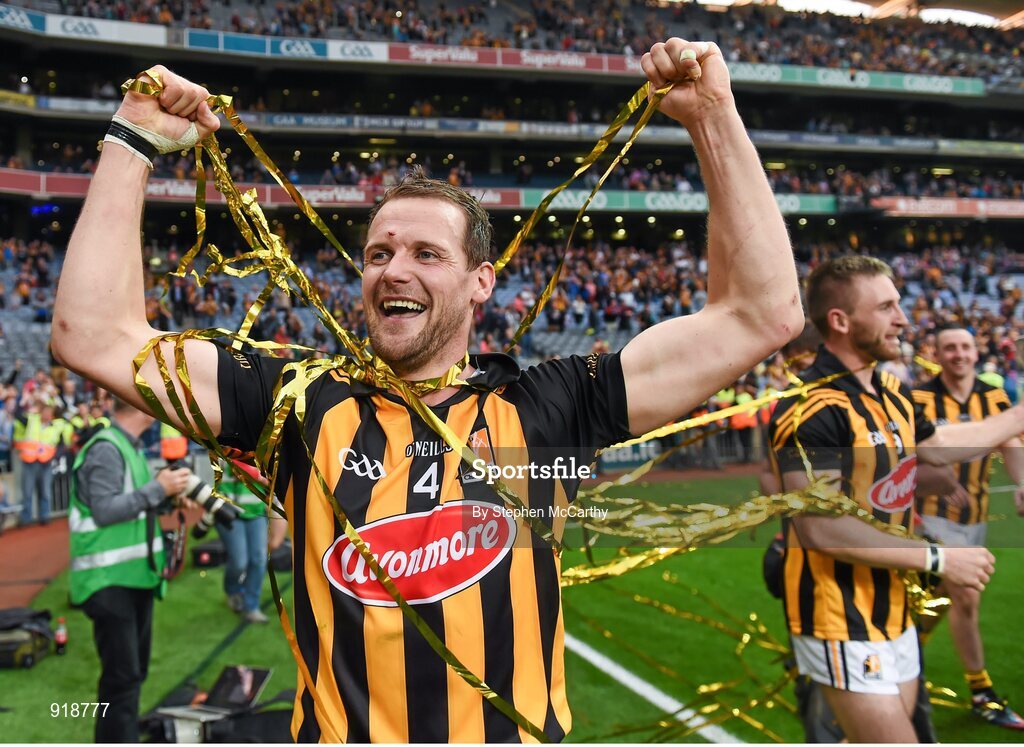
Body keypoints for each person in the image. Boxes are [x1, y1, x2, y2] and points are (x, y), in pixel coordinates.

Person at [52, 42, 804, 742]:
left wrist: (714, 118)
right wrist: (134, 138)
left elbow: (759, 314)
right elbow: (92, 335)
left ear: (481, 282)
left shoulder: (548, 406)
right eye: (378, 252)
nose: (393, 268)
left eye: (424, 252)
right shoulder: (297, 402)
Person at [769, 256, 1024, 743]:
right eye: (886, 307)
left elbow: (942, 447)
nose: (903, 319)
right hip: (838, 615)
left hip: (894, 607)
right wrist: (938, 557)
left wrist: (1018, 418)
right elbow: (820, 528)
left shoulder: (890, 389)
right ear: (841, 321)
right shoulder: (810, 407)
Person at [912, 326, 1024, 730]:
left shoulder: (993, 395)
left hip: (974, 516)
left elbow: (1010, 440)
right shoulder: (920, 397)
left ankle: (908, 652)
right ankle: (982, 692)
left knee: (938, 598)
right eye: (950, 348)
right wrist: (936, 476)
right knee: (965, 596)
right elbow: (901, 459)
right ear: (937, 354)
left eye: (965, 347)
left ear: (977, 353)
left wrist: (1021, 483)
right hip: (928, 517)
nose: (958, 354)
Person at [68, 398, 192, 743]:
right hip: (109, 582)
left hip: (132, 578)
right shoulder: (107, 449)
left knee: (131, 675)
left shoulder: (126, 447)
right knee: (122, 680)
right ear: (142, 409)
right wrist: (160, 488)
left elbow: (131, 502)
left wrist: (166, 497)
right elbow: (106, 510)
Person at [218, 458, 271, 624]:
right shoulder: (225, 446)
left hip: (256, 511)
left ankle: (251, 607)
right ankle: (233, 591)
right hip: (229, 510)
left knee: (259, 559)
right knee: (239, 561)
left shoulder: (266, 449)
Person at [14, 402, 66, 525]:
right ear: (41, 412)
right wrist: (25, 400)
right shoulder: (31, 420)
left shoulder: (56, 426)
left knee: (45, 492)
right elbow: (17, 413)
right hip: (29, 462)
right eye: (45, 412)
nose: (47, 415)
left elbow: (61, 445)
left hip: (46, 463)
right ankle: (26, 519)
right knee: (27, 492)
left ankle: (45, 516)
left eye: (50, 413)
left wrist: (54, 456)